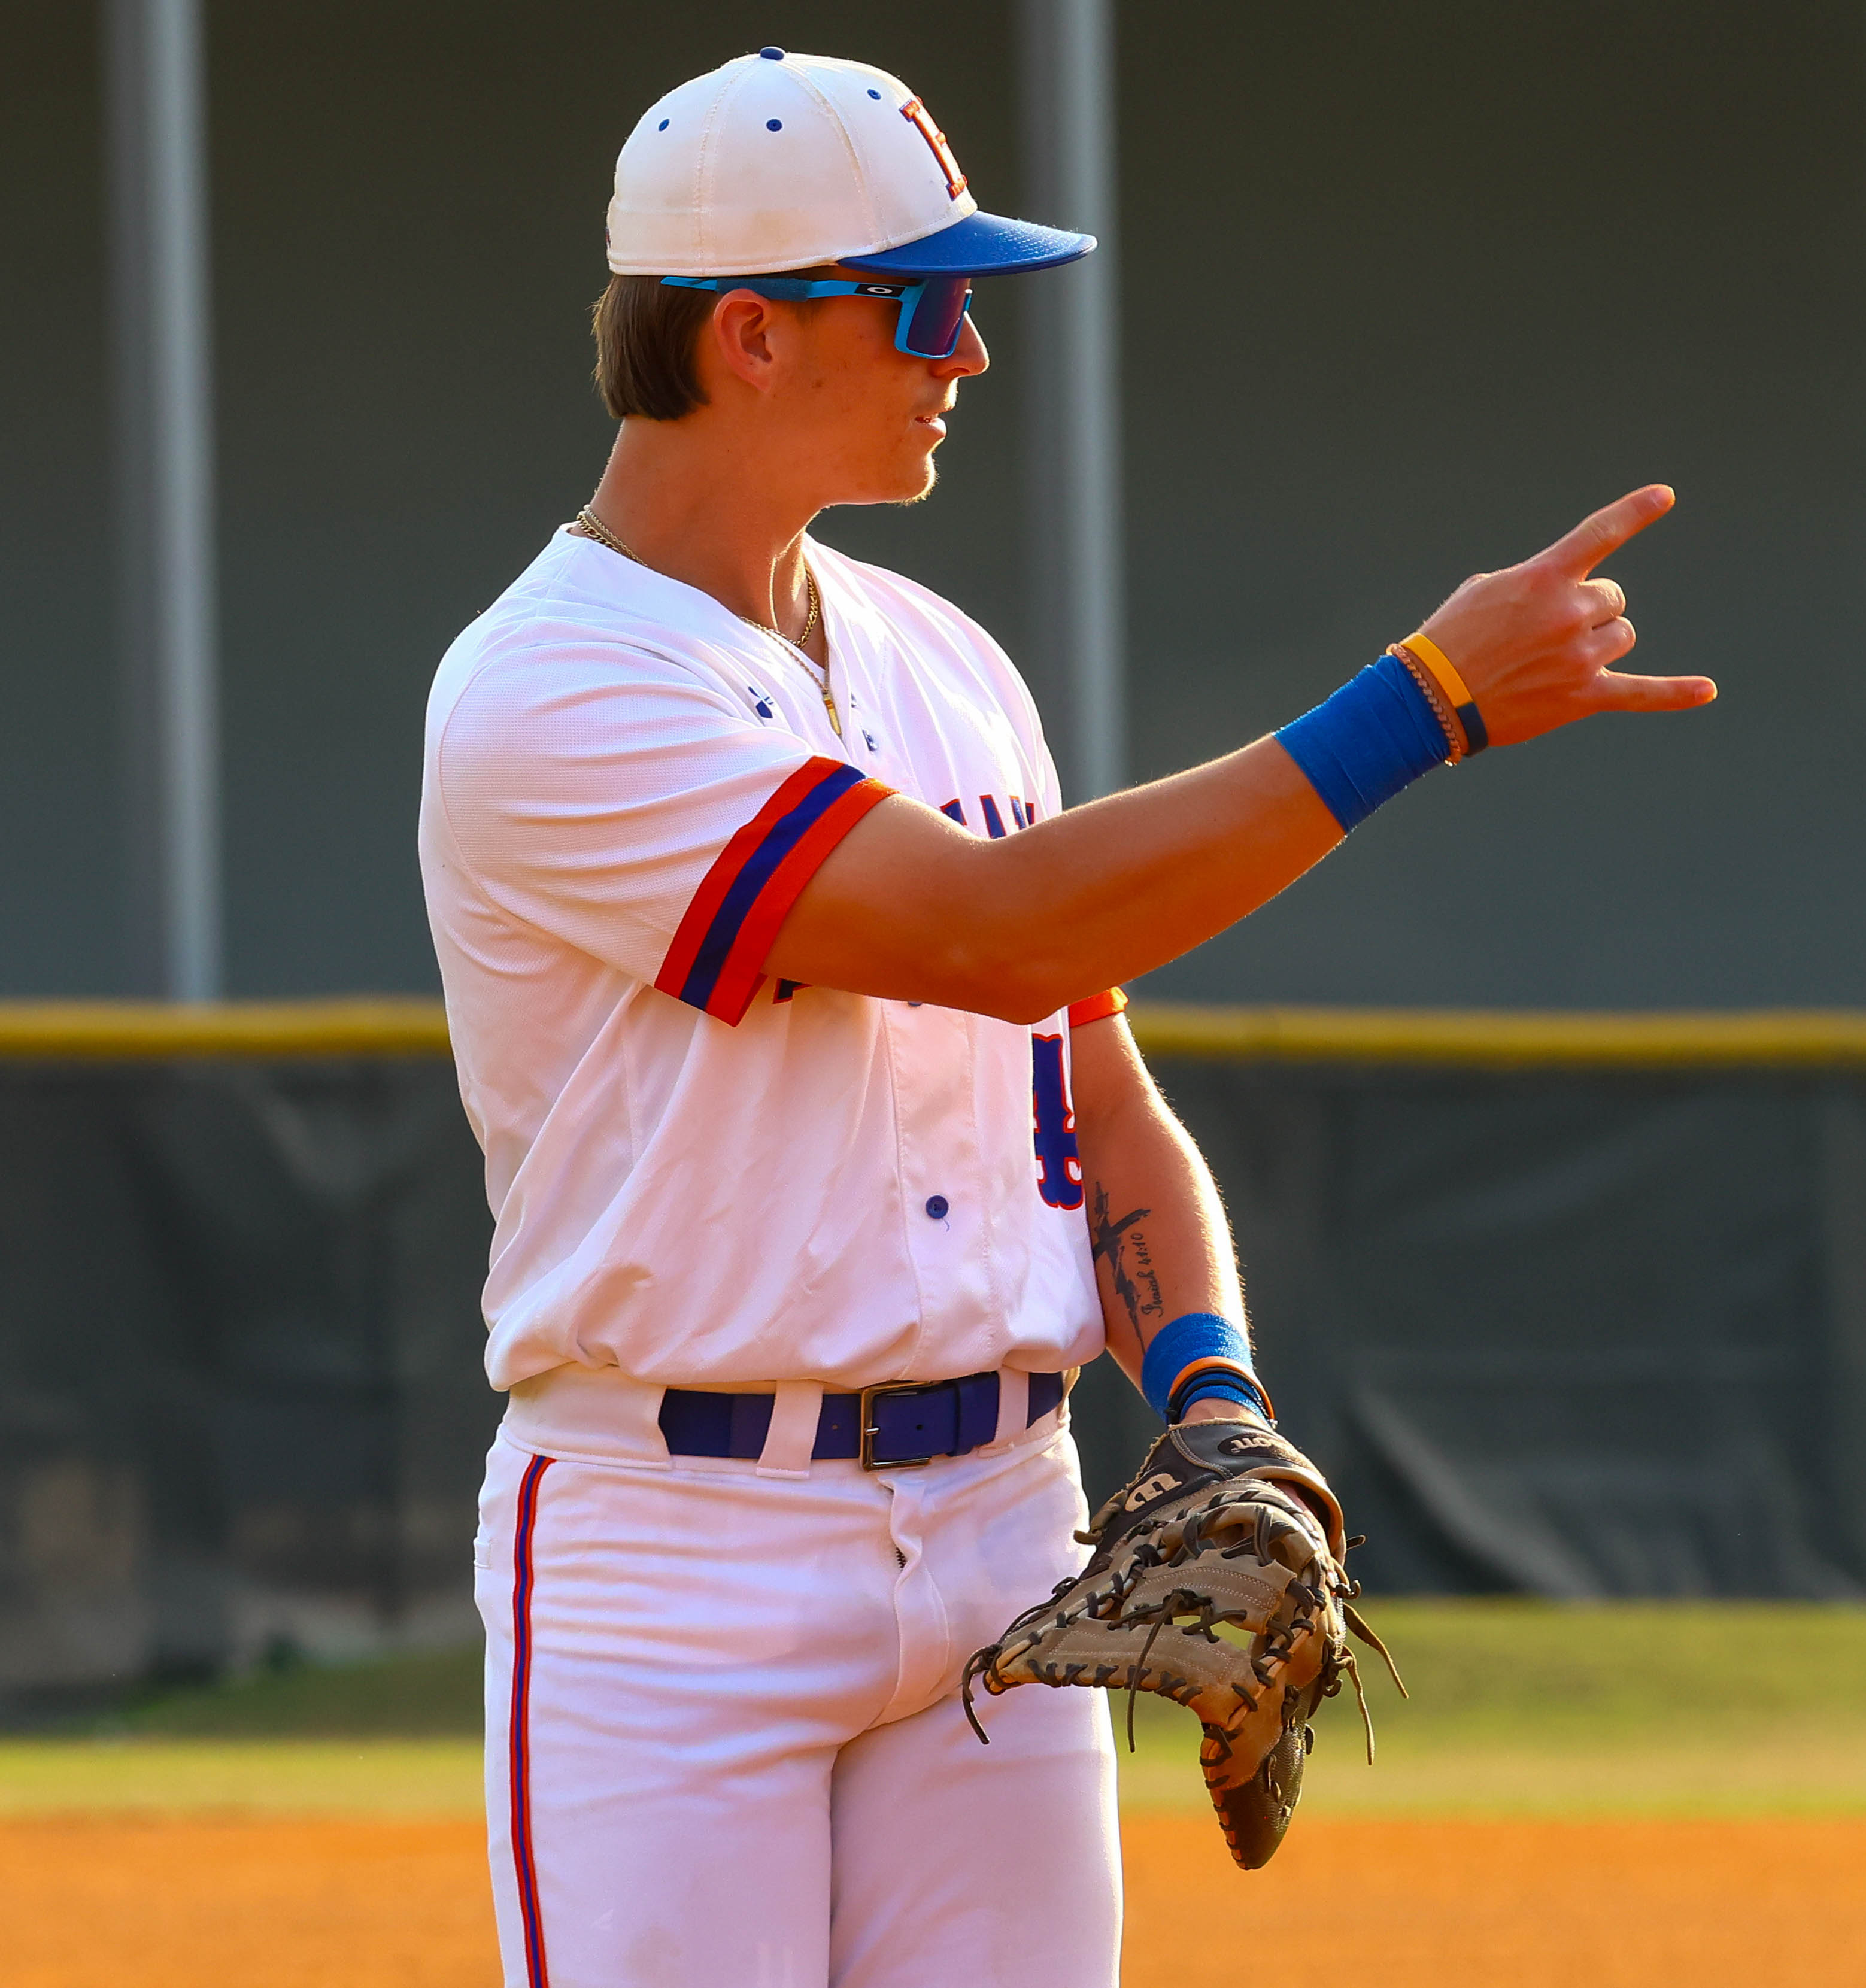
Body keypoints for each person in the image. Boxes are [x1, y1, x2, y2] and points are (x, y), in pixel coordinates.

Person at [417, 47, 1714, 1988]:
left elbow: (1090, 1086)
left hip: (1005, 1548)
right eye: (927, 300)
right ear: (751, 336)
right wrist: (1421, 699)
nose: (972, 350)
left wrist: (1210, 1394)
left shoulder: (944, 661)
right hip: (675, 1554)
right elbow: (998, 931)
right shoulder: (553, 691)